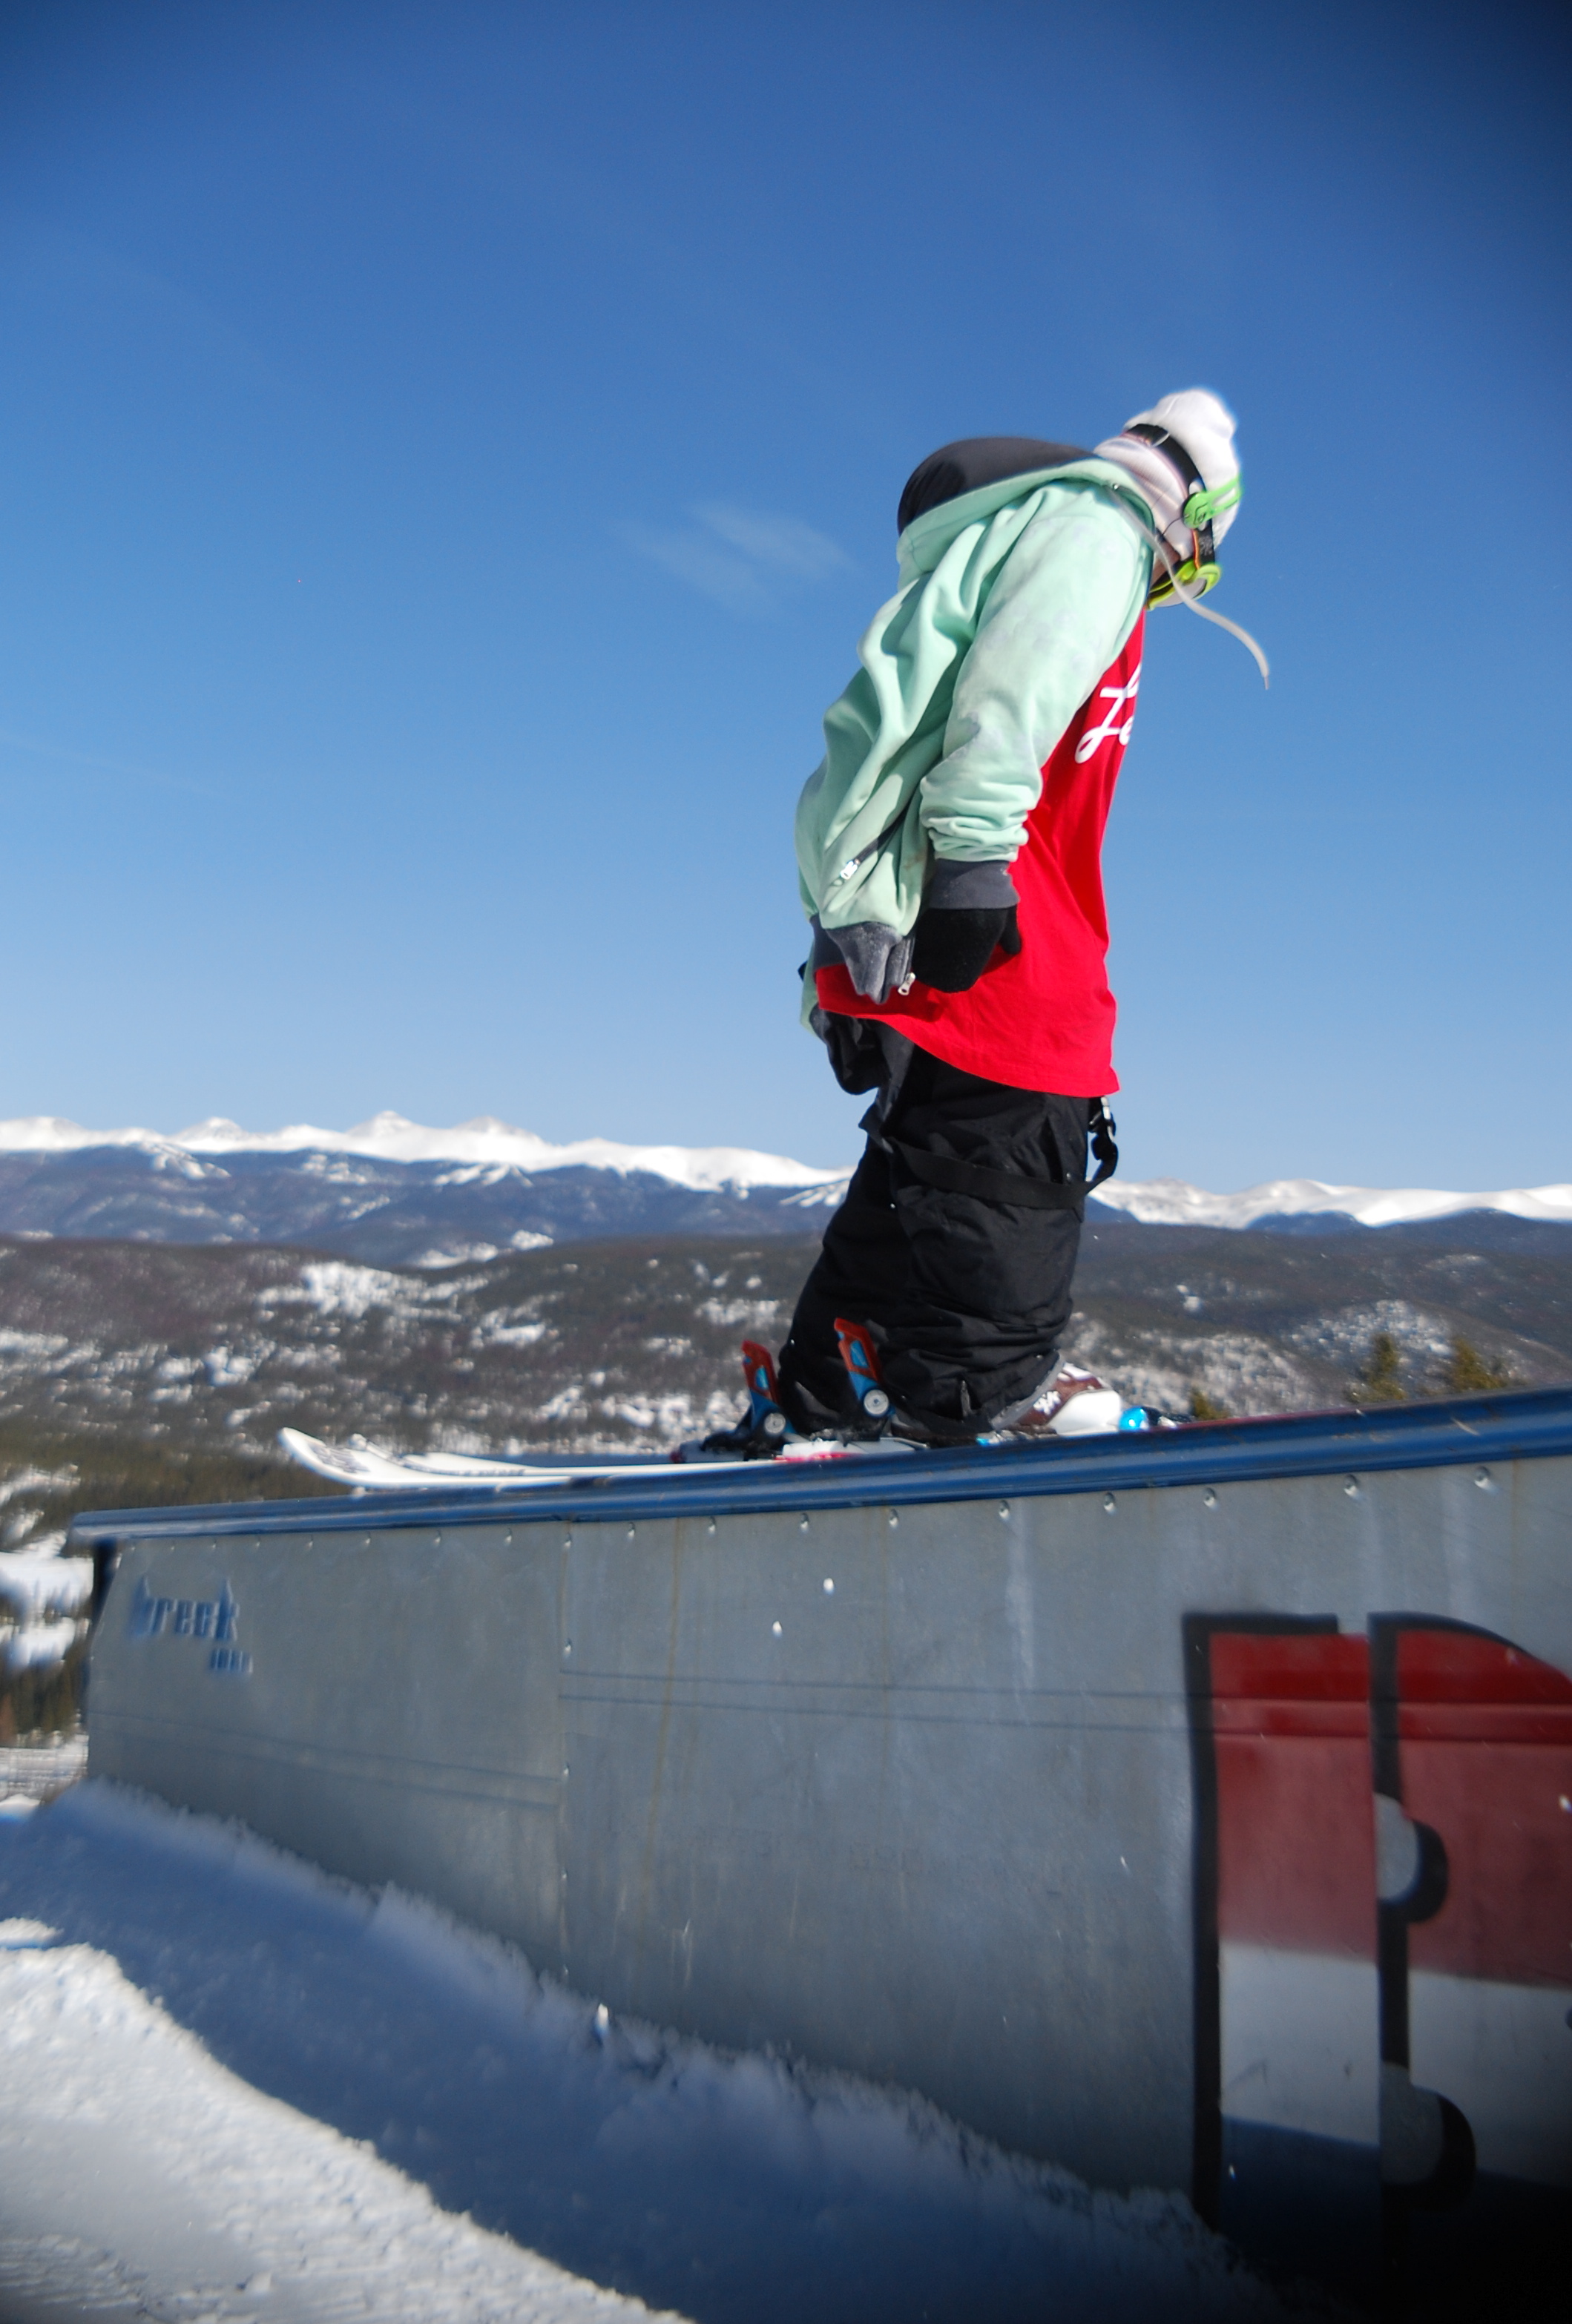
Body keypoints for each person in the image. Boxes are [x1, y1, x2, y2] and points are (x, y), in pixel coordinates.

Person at [772, 391, 1251, 1444]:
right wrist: (976, 868)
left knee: (917, 1181)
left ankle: (821, 1404)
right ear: (1198, 517)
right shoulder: (1097, 532)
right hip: (995, 936)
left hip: (944, 922)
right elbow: (1007, 698)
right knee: (1006, 1173)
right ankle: (983, 1401)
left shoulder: (1047, 532)